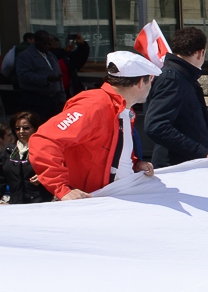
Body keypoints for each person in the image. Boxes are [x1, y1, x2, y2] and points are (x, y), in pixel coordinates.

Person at [27, 51, 160, 200]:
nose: (151, 85)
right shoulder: (95, 105)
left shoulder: (121, 108)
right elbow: (43, 141)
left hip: (112, 197)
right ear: (141, 82)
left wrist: (134, 164)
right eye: (151, 79)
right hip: (94, 201)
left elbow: (112, 148)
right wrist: (61, 189)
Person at [145, 26, 208, 167]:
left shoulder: (185, 79)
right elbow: (156, 126)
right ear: (201, 53)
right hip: (176, 169)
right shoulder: (172, 78)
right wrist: (202, 152)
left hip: (189, 166)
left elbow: (196, 132)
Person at [0, 111, 52, 204]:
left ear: (35, 128)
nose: (21, 131)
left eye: (26, 128)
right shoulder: (8, 151)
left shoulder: (45, 148)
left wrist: (44, 177)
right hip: (17, 203)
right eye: (17, 128)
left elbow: (57, 170)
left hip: (41, 201)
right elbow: (0, 178)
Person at [14, 31, 64, 105]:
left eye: (49, 44)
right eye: (44, 43)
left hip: (54, 98)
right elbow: (24, 76)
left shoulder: (51, 56)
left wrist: (62, 98)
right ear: (36, 41)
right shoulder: (25, 56)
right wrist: (46, 78)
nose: (47, 46)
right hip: (36, 98)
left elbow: (59, 79)